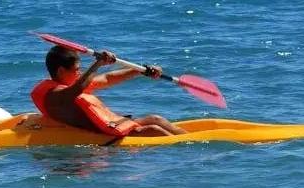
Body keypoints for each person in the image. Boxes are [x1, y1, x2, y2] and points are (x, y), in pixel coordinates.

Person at [30, 45, 187, 137]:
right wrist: (98, 63)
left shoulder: (69, 84)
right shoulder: (54, 95)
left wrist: (140, 70)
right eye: (76, 69)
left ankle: (190, 138)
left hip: (111, 126)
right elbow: (78, 89)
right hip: (104, 134)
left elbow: (107, 78)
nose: (80, 73)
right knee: (153, 129)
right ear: (61, 71)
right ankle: (188, 149)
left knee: (156, 119)